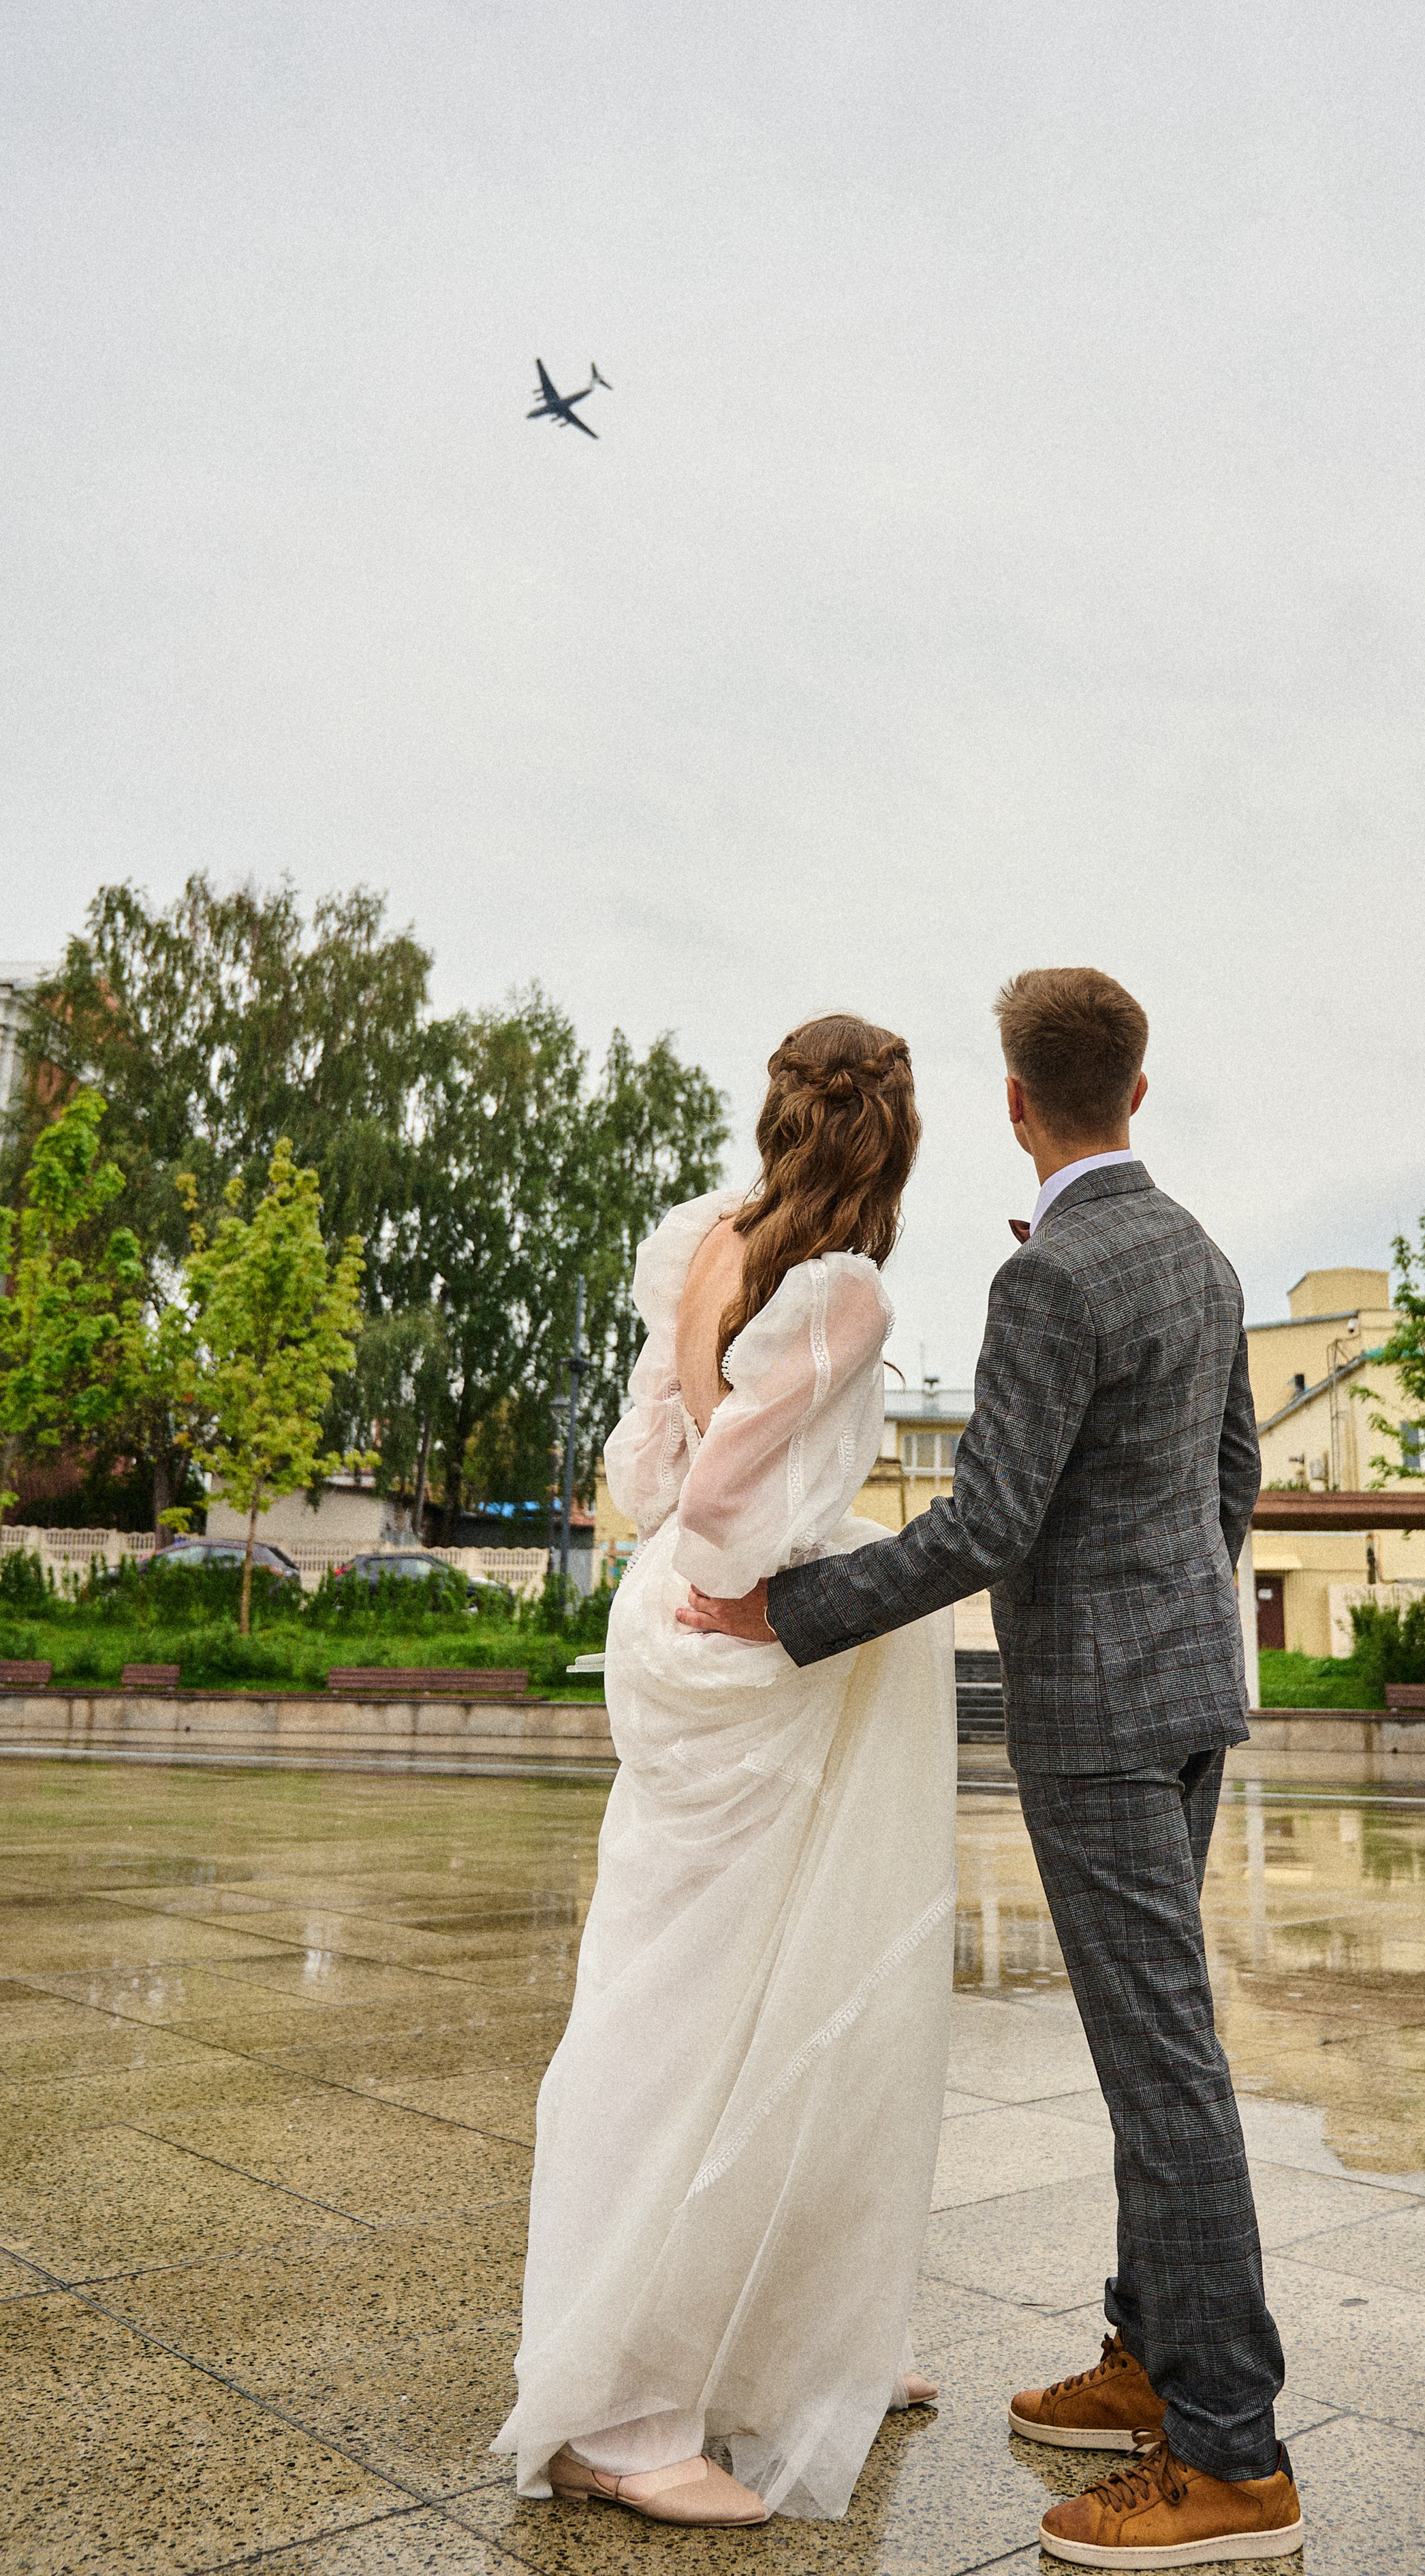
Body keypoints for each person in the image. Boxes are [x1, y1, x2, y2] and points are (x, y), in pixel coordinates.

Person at [682, 967, 1303, 2569]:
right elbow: (1231, 1478)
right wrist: (1171, 1619)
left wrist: (791, 1605)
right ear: (1134, 1095)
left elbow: (986, 1523)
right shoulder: (1202, 1254)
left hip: (1094, 1723)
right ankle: (1147, 2360)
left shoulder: (1050, 1280)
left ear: (1017, 1105)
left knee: (1162, 2066)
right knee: (1151, 2042)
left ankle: (1228, 2449)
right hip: (1183, 1697)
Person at [492, 1015, 956, 2526]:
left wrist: (714, 1529)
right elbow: (716, 1500)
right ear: (890, 1138)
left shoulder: (704, 1241)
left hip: (666, 1635)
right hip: (747, 1640)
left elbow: (638, 1479)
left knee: (723, 1987)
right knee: (710, 2013)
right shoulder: (849, 1294)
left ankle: (797, 2331)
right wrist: (794, 1570)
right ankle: (617, 2415)